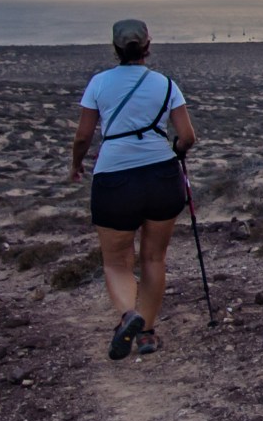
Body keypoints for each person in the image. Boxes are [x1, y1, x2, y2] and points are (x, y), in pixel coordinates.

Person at [70, 19, 197, 360]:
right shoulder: (166, 85)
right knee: (154, 257)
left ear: (115, 47)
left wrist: (76, 164)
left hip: (115, 178)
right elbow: (188, 136)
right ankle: (147, 334)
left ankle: (129, 315)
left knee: (115, 261)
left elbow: (83, 136)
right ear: (148, 45)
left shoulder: (98, 84)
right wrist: (176, 152)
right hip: (161, 177)